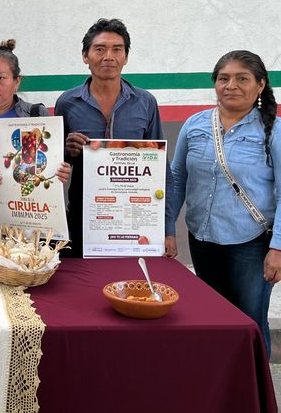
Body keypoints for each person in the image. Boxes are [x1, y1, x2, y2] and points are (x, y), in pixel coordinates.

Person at [169, 50, 281, 355]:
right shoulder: (195, 125)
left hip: (253, 243)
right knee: (214, 317)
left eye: (242, 78)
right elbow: (177, 179)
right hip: (203, 239)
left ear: (260, 86)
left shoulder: (273, 130)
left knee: (249, 320)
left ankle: (256, 394)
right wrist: (167, 229)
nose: (231, 85)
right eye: (224, 78)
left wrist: (278, 249)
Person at [54, 18, 175, 257]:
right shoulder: (67, 103)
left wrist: (168, 229)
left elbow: (162, 168)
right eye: (100, 49)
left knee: (130, 287)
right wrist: (67, 151)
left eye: (117, 49)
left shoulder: (145, 102)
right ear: (85, 56)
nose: (108, 56)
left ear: (126, 57)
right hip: (82, 219)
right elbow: (53, 164)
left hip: (136, 222)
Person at [0, 39, 71, 240]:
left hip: (27, 228)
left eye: (1, 77)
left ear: (17, 81)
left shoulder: (35, 116)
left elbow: (43, 166)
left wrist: (58, 172)